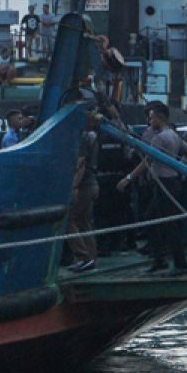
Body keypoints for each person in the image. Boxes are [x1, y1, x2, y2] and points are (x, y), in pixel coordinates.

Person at [117, 102, 187, 275]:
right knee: (152, 218)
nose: (149, 122)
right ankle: (159, 259)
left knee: (168, 224)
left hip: (164, 185)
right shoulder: (173, 135)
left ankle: (180, 265)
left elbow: (146, 162)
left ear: (160, 118)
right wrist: (179, 167)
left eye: (151, 119)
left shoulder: (159, 138)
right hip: (172, 182)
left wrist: (128, 179)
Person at [67, 112, 102, 272]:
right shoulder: (93, 137)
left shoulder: (82, 138)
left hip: (84, 185)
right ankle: (91, 258)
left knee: (69, 220)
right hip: (93, 183)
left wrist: (74, 187)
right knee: (85, 222)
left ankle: (83, 256)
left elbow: (80, 164)